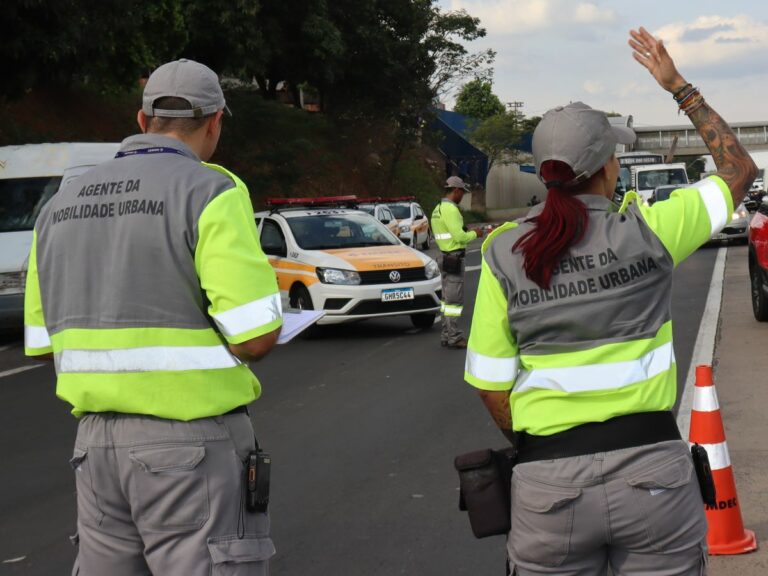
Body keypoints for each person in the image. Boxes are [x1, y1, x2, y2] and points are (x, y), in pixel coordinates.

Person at [464, 27, 756, 575]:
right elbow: (740, 171)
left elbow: (490, 384)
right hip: (654, 479)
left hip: (548, 485)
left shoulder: (505, 251)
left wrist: (542, 448)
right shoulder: (650, 231)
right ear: (608, 168)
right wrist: (680, 87)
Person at [24, 59, 283, 575]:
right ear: (215, 122)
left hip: (95, 447)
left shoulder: (61, 203)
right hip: (190, 446)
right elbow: (254, 337)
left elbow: (42, 340)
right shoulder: (210, 190)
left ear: (142, 121)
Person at [431, 176, 484, 348]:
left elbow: (448, 232)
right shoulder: (451, 210)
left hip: (443, 256)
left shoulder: (438, 208)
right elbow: (460, 237)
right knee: (454, 301)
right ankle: (455, 337)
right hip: (454, 258)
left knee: (446, 300)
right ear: (456, 190)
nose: (462, 196)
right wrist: (476, 234)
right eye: (462, 192)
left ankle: (446, 334)